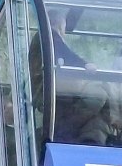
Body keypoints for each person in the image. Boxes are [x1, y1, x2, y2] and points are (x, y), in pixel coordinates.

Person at [40, 9, 112, 145]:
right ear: (59, 23)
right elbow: (69, 57)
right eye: (64, 25)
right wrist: (86, 65)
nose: (65, 30)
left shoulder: (46, 40)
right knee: (97, 97)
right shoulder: (50, 38)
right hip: (53, 92)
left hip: (53, 94)